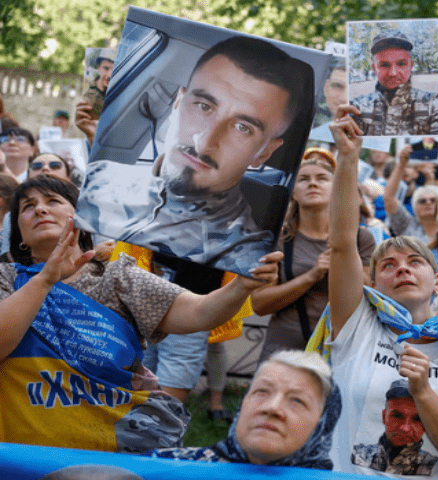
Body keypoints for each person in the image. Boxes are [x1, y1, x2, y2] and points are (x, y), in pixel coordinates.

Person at [0, 176, 281, 452]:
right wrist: (45, 280)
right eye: (27, 206)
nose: (40, 209)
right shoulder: (6, 280)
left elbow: (199, 312)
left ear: (81, 218)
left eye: (53, 201)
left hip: (107, 451)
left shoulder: (115, 276)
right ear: (20, 236)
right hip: (22, 452)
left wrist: (241, 285)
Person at [316, 105, 438, 480]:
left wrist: (424, 393)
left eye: (415, 262)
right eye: (388, 265)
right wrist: (348, 158)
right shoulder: (357, 322)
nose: (402, 268)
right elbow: (343, 244)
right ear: (373, 283)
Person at [75, 36, 312, 274]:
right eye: (203, 106)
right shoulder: (99, 178)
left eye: (243, 127)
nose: (204, 142)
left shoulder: (246, 254)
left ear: (265, 152)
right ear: (178, 102)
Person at [252, 148, 375, 361]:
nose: (312, 183)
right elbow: (260, 305)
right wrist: (312, 275)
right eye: (303, 179)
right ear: (292, 191)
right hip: (285, 350)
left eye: (322, 178)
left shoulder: (360, 238)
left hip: (343, 349)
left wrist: (343, 261)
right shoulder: (276, 239)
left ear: (337, 188)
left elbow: (371, 295)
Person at [151, 350, 341, 469]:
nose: (272, 408)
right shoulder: (161, 470)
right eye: (262, 392)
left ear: (323, 425)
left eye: (297, 401)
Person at [350, 30, 438, 136]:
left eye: (401, 64)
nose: (393, 73)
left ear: (410, 66)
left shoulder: (433, 104)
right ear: (374, 68)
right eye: (384, 65)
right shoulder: (356, 107)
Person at [351, 379, 438, 474]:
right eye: (397, 416)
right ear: (384, 417)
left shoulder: (435, 467)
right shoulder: (358, 455)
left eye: (417, 419)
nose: (405, 428)